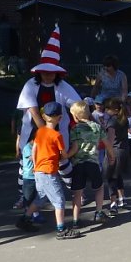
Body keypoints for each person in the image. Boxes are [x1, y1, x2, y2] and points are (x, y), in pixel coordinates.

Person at [16, 26, 82, 190]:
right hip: (33, 131)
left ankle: (75, 191)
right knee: (27, 163)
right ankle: (24, 196)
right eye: (45, 72)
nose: (48, 75)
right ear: (39, 72)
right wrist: (45, 132)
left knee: (61, 161)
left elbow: (76, 105)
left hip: (58, 133)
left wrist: (81, 118)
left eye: (51, 73)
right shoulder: (30, 85)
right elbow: (32, 110)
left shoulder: (63, 86)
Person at [16, 101, 81, 239]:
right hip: (48, 172)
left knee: (40, 198)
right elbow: (64, 155)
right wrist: (74, 150)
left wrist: (35, 165)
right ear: (60, 118)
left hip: (39, 170)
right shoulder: (57, 136)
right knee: (59, 201)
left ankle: (25, 219)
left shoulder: (40, 132)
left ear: (44, 116)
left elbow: (34, 149)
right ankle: (61, 229)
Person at [66, 100, 115, 226]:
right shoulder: (97, 127)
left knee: (77, 193)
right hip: (93, 163)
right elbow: (107, 143)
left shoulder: (75, 129)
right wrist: (112, 155)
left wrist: (66, 156)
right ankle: (98, 212)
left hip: (78, 164)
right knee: (99, 187)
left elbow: (75, 147)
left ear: (75, 116)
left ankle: (75, 220)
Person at [104, 97, 130, 210]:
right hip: (124, 150)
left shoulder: (112, 122)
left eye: (107, 108)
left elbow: (110, 140)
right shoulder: (124, 119)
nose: (106, 110)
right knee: (117, 175)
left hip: (114, 151)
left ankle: (113, 203)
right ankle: (122, 198)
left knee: (110, 177)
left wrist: (110, 154)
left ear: (114, 110)